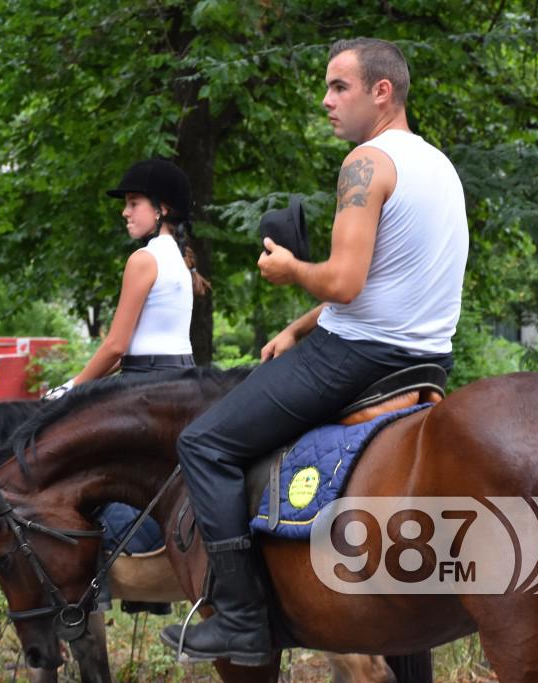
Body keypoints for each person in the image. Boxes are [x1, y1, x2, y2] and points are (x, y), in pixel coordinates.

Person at [160, 38, 469, 665]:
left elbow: (346, 282)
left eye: (339, 87)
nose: (326, 101)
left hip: (355, 358)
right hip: (427, 362)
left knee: (203, 443)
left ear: (382, 92)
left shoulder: (365, 163)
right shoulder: (436, 165)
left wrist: (290, 269)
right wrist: (300, 325)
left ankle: (242, 619)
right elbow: (387, 280)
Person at [48, 158, 209, 613]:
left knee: (79, 471)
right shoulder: (178, 259)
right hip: (179, 384)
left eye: (133, 203)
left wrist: (72, 388)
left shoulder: (143, 260)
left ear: (160, 209)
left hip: (144, 389)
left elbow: (117, 345)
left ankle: (91, 582)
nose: (125, 212)